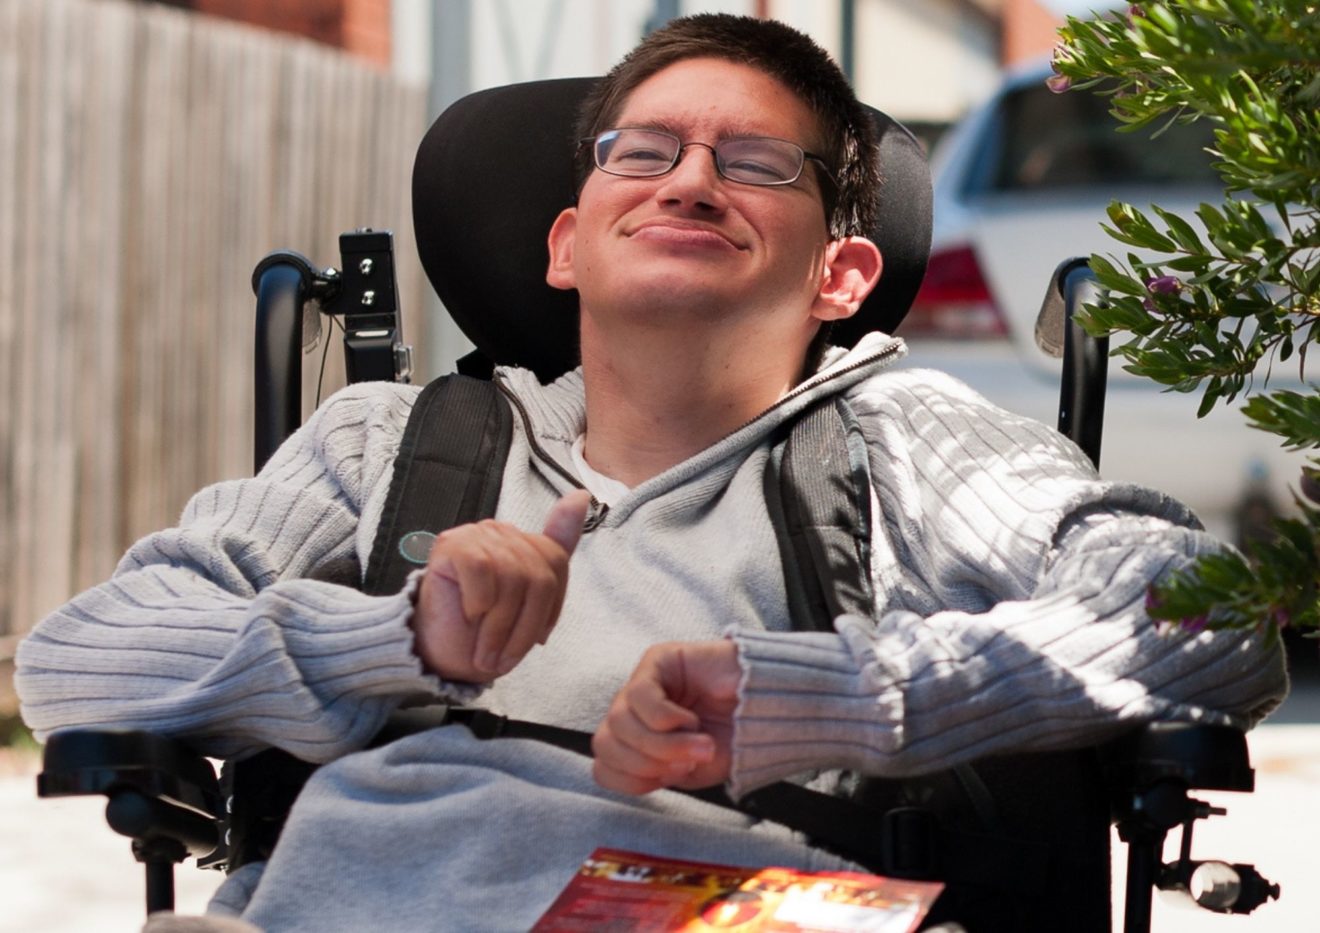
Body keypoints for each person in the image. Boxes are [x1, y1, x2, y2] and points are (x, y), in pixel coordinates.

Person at [16, 14, 1284, 932]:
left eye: (754, 163)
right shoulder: (387, 443)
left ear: (840, 276)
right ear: (567, 244)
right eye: (645, 150)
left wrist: (836, 701)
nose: (689, 178)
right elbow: (76, 659)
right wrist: (395, 639)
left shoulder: (911, 437)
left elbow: (1209, 610)